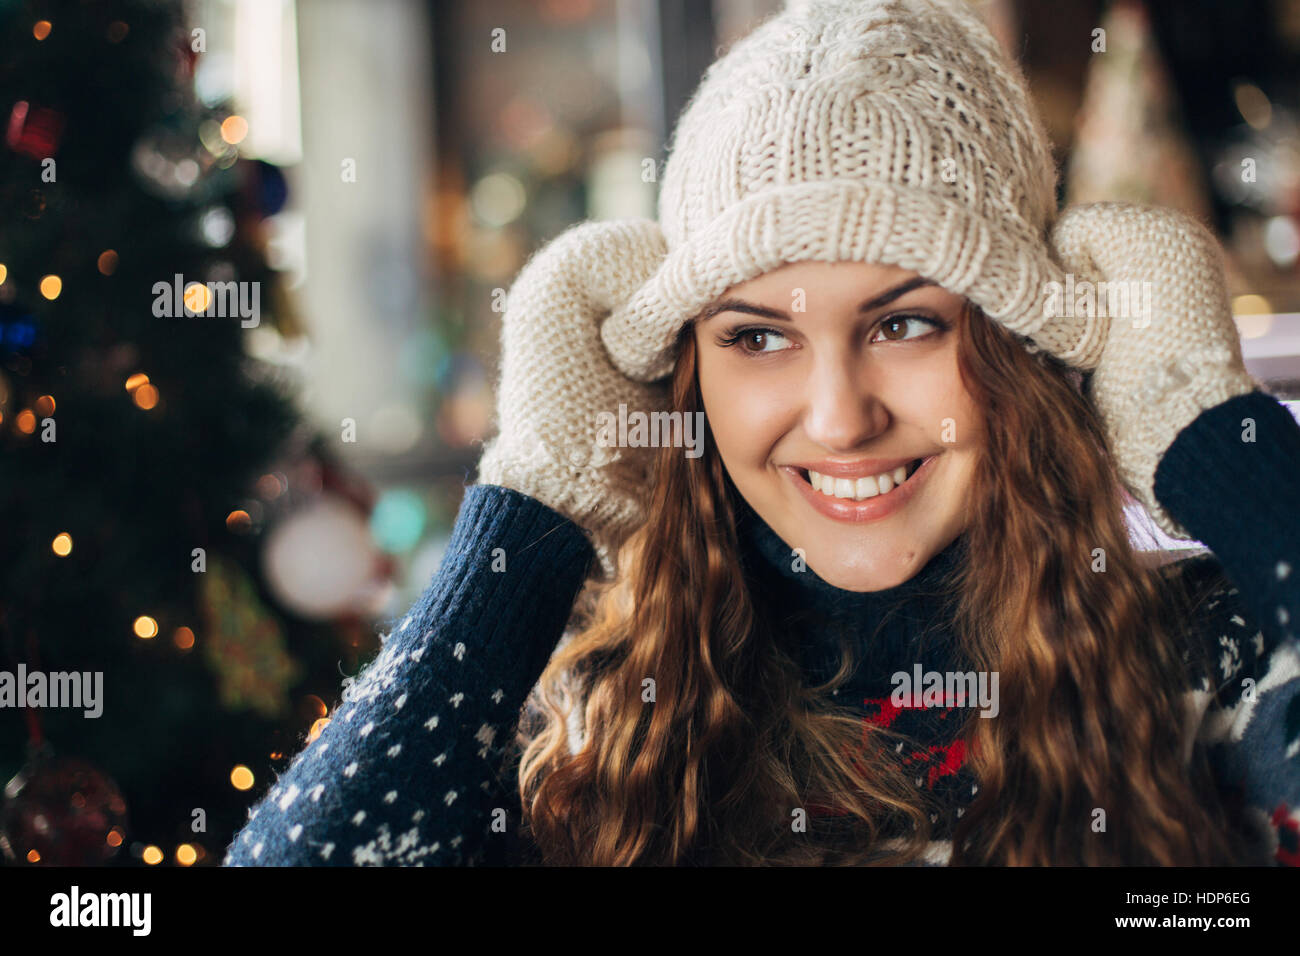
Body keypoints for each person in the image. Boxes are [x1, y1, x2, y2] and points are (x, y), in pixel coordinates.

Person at [223, 0, 1300, 867]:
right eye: (756, 336)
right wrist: (538, 494)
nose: (838, 417)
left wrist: (1203, 426)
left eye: (905, 322)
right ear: (689, 372)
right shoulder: (585, 719)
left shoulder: (1204, 666)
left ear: (1019, 339)